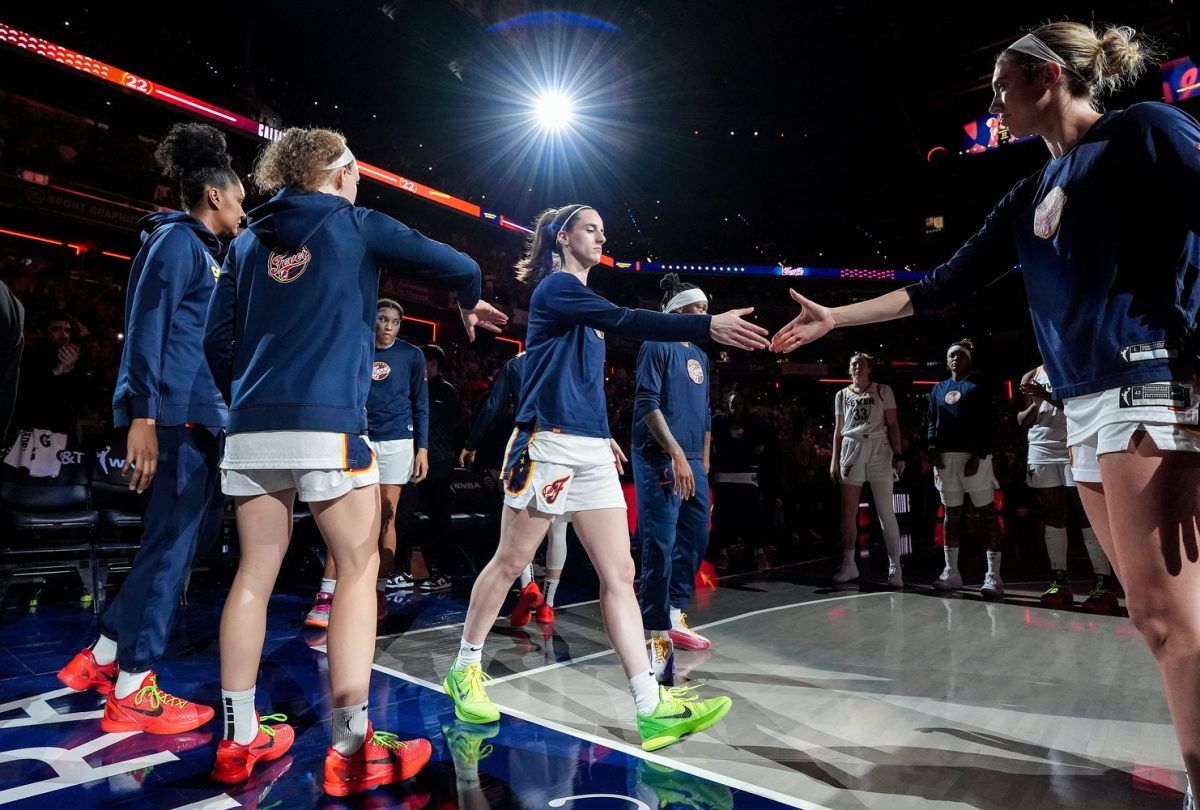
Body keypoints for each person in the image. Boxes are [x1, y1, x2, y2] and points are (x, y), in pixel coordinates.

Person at [769, 21, 1199, 804]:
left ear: (1047, 78)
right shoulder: (1027, 191)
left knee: (1171, 618)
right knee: (1154, 614)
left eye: (1002, 81)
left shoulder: (1146, 129)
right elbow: (938, 286)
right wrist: (837, 318)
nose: (993, 98)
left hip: (1145, 384)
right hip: (1079, 403)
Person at [203, 126, 506, 794]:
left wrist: (259, 395)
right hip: (329, 429)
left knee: (253, 575)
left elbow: (217, 341)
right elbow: (457, 264)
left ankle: (238, 738)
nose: (360, 181)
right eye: (358, 172)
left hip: (251, 429)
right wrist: (465, 297)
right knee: (358, 569)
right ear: (339, 173)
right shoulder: (356, 221)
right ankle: (352, 747)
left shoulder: (247, 240)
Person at [440, 203, 768, 752]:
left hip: (589, 448)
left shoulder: (583, 307)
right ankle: (465, 667)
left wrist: (601, 433)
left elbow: (581, 381)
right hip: (546, 443)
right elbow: (629, 320)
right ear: (562, 237)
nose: (601, 235)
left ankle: (650, 706)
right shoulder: (556, 290)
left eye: (602, 228)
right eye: (590, 228)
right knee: (511, 562)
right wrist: (706, 323)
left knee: (620, 574)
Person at [57, 122, 243, 737]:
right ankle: (136, 685)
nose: (244, 207)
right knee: (172, 548)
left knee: (174, 544)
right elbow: (146, 330)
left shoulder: (207, 255)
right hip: (175, 419)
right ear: (214, 195)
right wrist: (140, 416)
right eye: (239, 196)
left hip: (201, 420)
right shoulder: (176, 243)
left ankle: (104, 656)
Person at [305, 298, 428, 627]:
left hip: (398, 442)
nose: (388, 326)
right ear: (372, 320)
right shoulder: (354, 348)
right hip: (359, 436)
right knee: (343, 517)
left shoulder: (412, 355)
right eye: (383, 319)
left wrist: (423, 448)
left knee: (386, 519)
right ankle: (327, 594)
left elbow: (421, 404)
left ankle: (377, 592)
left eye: (395, 321)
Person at [633, 273, 716, 687]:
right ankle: (657, 645)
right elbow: (648, 403)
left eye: (704, 309)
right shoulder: (656, 344)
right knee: (659, 548)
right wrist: (676, 454)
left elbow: (704, 420)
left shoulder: (700, 358)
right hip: (659, 459)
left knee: (696, 537)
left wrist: (702, 468)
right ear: (676, 311)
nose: (703, 315)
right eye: (695, 309)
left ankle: (672, 613)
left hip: (692, 465)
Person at [461, 351, 570, 626]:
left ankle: (528, 586)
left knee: (520, 524)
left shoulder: (516, 364)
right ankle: (548, 605)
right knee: (558, 527)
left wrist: (471, 442)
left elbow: (492, 406)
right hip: (566, 445)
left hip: (527, 442)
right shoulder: (567, 358)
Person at [1018, 363, 1117, 611]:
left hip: (1077, 443)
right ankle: (1059, 581)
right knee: (1054, 516)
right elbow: (1022, 420)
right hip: (1041, 450)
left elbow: (1083, 411)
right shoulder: (1031, 375)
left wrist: (1047, 395)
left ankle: (1103, 584)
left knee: (1086, 514)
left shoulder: (1075, 365)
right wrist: (1036, 402)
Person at [924, 340, 1003, 598]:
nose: (956, 359)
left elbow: (989, 424)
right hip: (946, 460)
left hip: (974, 458)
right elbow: (932, 423)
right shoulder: (938, 389)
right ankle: (951, 572)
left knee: (987, 516)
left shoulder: (978, 387)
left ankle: (993, 576)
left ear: (969, 360)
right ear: (947, 362)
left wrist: (978, 455)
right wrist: (932, 447)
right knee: (951, 515)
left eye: (961, 355)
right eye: (952, 356)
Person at [829, 352, 904, 587]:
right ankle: (849, 564)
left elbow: (893, 424)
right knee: (848, 511)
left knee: (885, 511)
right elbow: (837, 429)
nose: (858, 367)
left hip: (879, 447)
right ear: (849, 370)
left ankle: (895, 567)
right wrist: (833, 460)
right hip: (851, 447)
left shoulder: (883, 390)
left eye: (862, 363)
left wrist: (899, 454)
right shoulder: (841, 394)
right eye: (854, 364)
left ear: (870, 368)